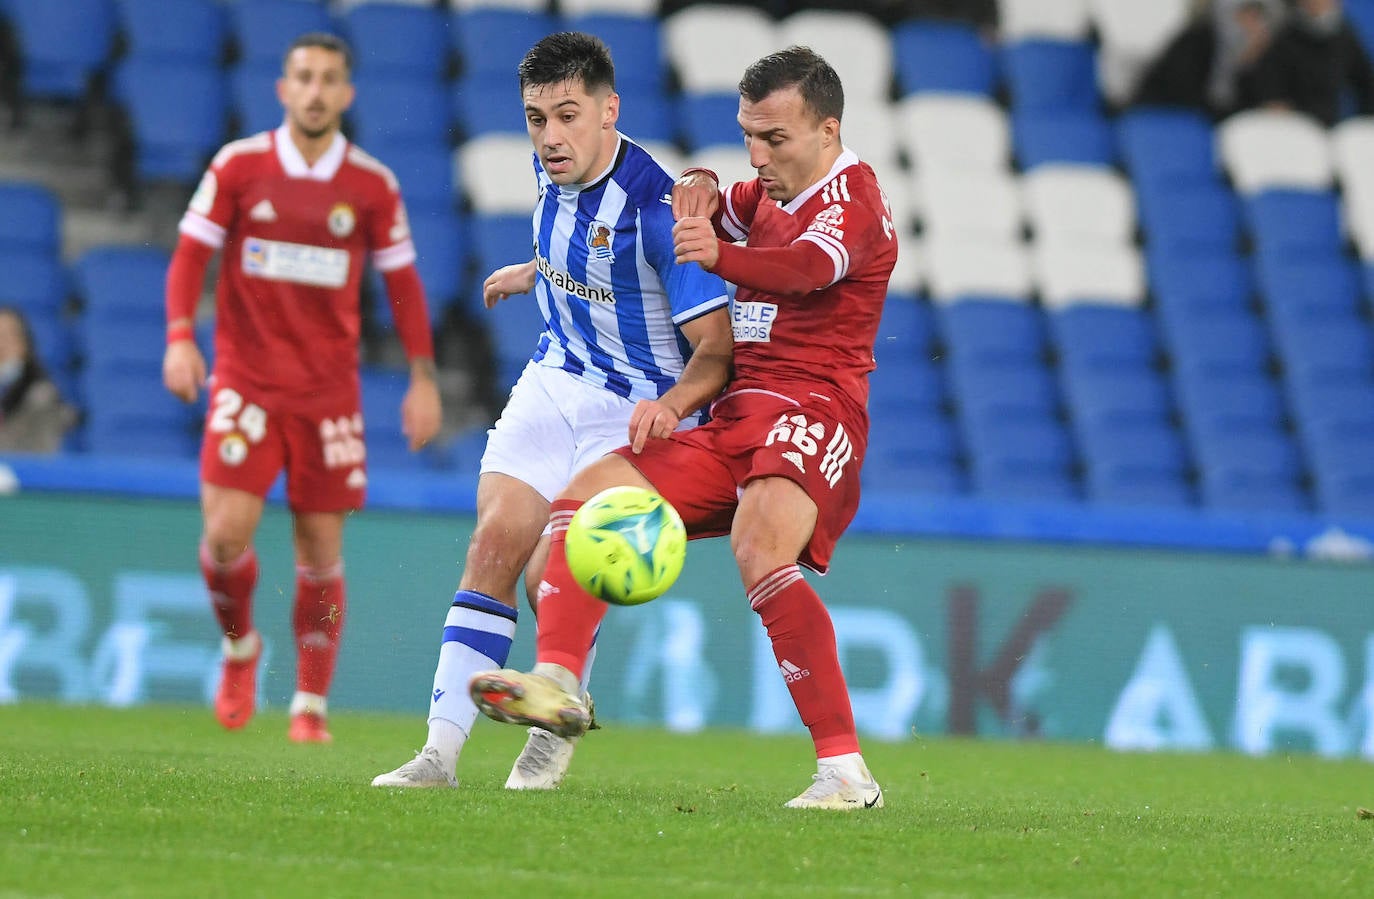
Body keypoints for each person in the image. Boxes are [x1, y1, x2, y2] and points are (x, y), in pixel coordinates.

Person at [469, 46, 897, 810]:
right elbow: (675, 211)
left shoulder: (853, 202)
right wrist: (696, 188)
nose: (758, 157)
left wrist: (720, 251)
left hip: (813, 410)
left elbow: (801, 269)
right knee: (589, 494)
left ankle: (845, 771)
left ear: (828, 131)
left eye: (776, 139)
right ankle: (558, 691)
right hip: (736, 410)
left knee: (760, 546)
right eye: (748, 137)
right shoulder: (762, 190)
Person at [370, 32, 732, 790]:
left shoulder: (661, 213)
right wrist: (537, 271)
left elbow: (716, 351)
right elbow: (587, 249)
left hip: (632, 407)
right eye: (537, 118)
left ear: (610, 111)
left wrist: (671, 406)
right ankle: (438, 754)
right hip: (554, 378)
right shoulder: (549, 167)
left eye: (568, 116)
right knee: (494, 540)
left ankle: (555, 724)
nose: (551, 136)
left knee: (550, 572)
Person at [161, 33, 442, 744]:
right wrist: (176, 337)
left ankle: (310, 704)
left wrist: (422, 376)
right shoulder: (239, 166)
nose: (315, 91)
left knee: (319, 551)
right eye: (303, 78)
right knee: (226, 537)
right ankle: (240, 649)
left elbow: (402, 284)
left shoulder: (372, 185)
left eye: (329, 80)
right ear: (283, 88)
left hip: (327, 396)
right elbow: (191, 254)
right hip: (247, 384)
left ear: (347, 94)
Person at [1247, 0, 1374, 125]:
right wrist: (1274, 102)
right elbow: (1268, 82)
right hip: (1292, 124)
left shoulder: (1344, 33)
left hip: (1329, 123)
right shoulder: (1284, 34)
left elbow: (1365, 80)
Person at [0, 305, 74, 453]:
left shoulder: (42, 396)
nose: (2, 344)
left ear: (24, 343)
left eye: (7, 336)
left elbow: (40, 455)